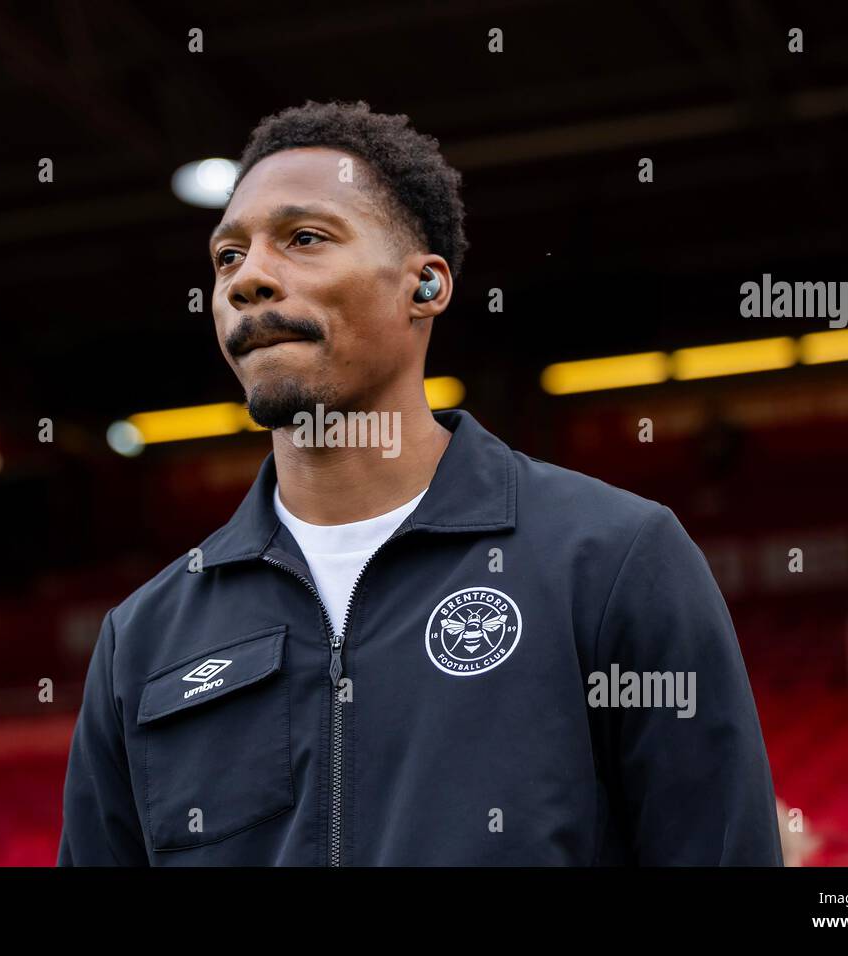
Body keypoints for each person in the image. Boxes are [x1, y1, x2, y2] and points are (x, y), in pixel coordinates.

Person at [58, 99, 783, 866]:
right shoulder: (142, 641)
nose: (250, 280)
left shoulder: (611, 560)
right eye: (228, 256)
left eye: (304, 239)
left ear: (426, 286)